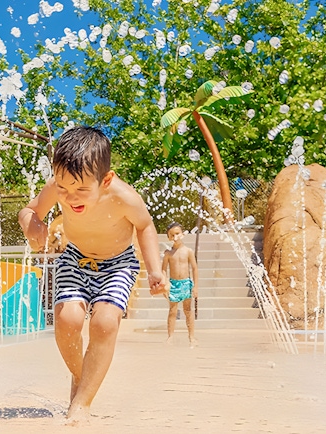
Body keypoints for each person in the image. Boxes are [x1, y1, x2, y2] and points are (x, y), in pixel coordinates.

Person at [18, 126, 168, 422]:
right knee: (67, 320)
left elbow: (145, 226)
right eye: (64, 188)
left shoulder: (124, 197)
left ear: (106, 179)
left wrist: (154, 269)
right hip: (75, 259)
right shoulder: (58, 186)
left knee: (105, 323)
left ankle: (82, 403)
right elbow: (29, 210)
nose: (70, 197)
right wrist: (32, 225)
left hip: (118, 264)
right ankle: (81, 377)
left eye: (81, 190)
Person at [162, 222, 199, 347]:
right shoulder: (168, 253)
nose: (175, 237)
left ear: (182, 234)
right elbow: (163, 270)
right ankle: (170, 336)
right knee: (172, 310)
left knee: (188, 310)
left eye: (177, 233)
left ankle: (191, 337)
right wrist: (164, 284)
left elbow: (194, 268)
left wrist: (195, 286)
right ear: (169, 237)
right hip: (173, 284)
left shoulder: (188, 251)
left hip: (186, 283)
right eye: (172, 235)